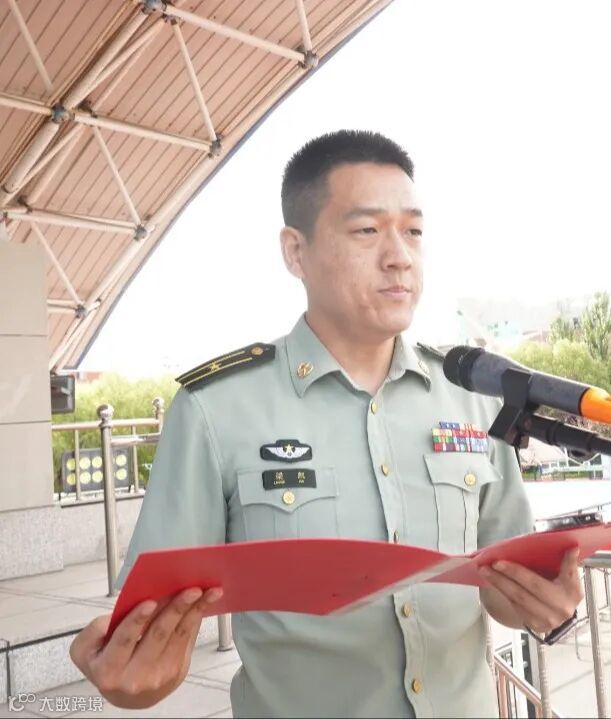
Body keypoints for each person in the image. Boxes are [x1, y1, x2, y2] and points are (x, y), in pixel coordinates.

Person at [69, 130, 583, 717]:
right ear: (296, 252)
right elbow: (148, 646)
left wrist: (549, 605)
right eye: (367, 231)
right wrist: (130, 680)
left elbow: (508, 588)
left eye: (413, 231)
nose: (400, 256)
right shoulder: (216, 409)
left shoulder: (470, 396)